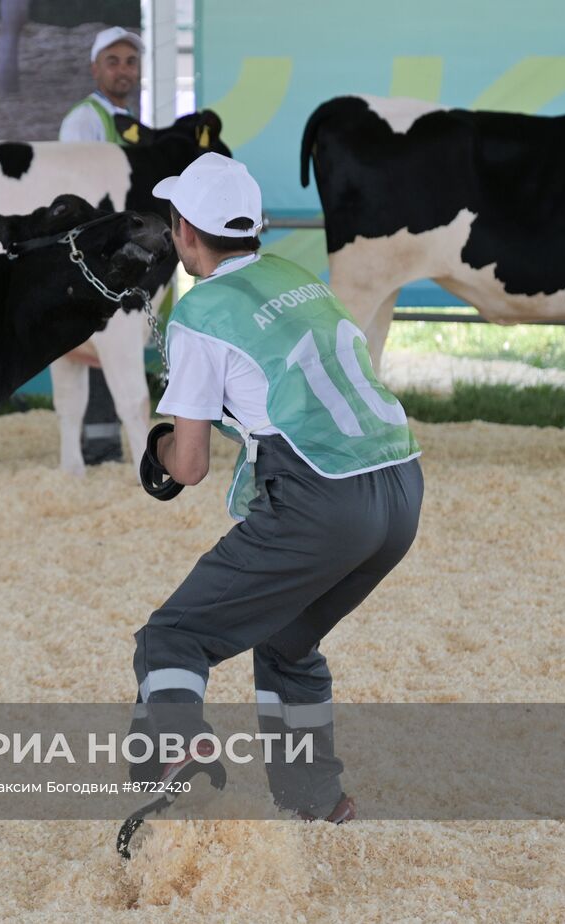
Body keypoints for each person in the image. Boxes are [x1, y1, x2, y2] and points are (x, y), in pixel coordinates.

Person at [118, 153, 424, 852]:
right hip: (402, 486)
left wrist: (156, 451)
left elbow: (189, 465)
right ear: (252, 227)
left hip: (324, 500)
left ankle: (176, 761)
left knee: (173, 637)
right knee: (287, 642)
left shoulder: (199, 311)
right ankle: (317, 803)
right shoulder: (297, 278)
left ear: (186, 232)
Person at [58, 26, 144, 465]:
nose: (123, 70)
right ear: (96, 68)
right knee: (96, 345)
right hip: (93, 256)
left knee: (114, 347)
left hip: (120, 256)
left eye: (130, 61)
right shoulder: (83, 121)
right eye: (113, 61)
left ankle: (104, 447)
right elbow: (76, 193)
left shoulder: (130, 121)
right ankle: (99, 448)